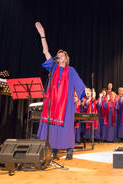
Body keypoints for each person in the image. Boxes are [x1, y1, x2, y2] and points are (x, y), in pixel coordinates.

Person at [35, 22, 86, 160]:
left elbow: (80, 85)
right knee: (52, 126)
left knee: (67, 126)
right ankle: (54, 150)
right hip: (53, 102)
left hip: (66, 103)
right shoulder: (53, 67)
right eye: (58, 55)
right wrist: (42, 35)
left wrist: (82, 94)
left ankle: (69, 150)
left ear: (66, 58)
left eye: (62, 55)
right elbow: (46, 51)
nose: (59, 56)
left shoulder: (71, 70)